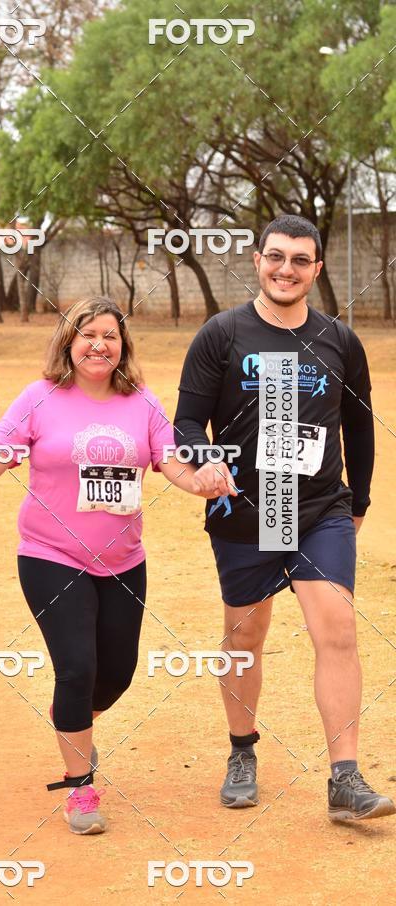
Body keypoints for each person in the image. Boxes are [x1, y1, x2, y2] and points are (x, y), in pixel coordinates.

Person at [0, 297, 197, 834]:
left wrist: (203, 481)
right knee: (76, 667)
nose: (99, 344)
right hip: (51, 556)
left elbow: (171, 460)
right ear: (68, 342)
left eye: (110, 335)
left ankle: (71, 723)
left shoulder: (141, 401)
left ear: (124, 346)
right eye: (87, 334)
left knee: (116, 674)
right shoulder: (40, 398)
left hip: (124, 560)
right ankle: (80, 787)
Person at [174, 214, 395, 821]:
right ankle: (242, 752)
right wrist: (206, 462)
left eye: (300, 260)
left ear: (316, 270)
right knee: (246, 637)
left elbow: (358, 430)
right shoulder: (221, 335)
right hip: (246, 510)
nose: (286, 269)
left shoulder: (339, 341)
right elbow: (187, 423)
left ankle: (345, 778)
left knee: (338, 631)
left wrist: (360, 503)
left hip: (319, 509)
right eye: (277, 256)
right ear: (257, 260)